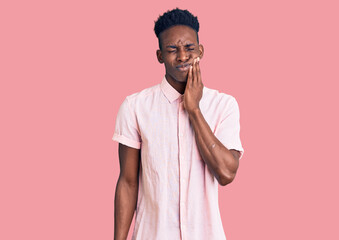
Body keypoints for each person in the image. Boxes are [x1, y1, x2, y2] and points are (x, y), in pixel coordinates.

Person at [112, 8, 244, 240]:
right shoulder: (135, 107)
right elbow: (128, 182)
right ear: (160, 56)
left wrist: (193, 109)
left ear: (200, 51)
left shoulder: (224, 105)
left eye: (189, 48)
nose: (182, 57)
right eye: (172, 49)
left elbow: (226, 173)